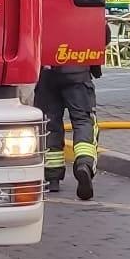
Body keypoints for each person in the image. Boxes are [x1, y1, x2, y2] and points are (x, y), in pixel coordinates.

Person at [36, 63, 97, 200]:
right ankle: (84, 164)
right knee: (83, 121)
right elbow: (102, 41)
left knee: (50, 123)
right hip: (78, 72)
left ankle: (52, 178)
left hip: (47, 74)